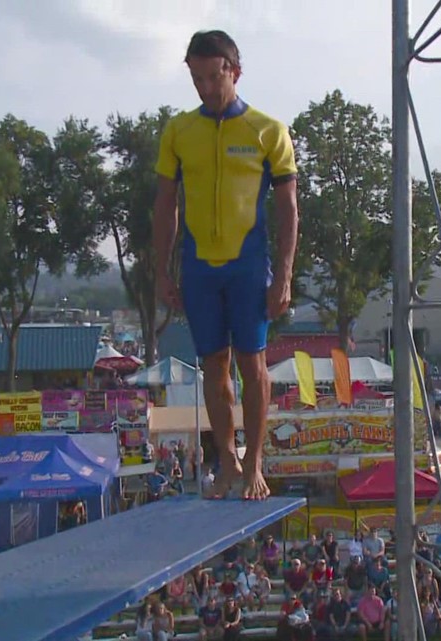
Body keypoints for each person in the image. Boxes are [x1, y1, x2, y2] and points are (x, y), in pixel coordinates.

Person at [154, 29, 300, 500]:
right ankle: (228, 462)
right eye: (195, 79)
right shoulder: (179, 131)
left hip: (248, 264)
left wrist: (284, 275)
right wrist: (162, 268)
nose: (204, 88)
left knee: (252, 364)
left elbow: (288, 208)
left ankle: (255, 463)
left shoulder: (267, 130)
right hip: (199, 267)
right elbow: (165, 205)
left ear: (234, 72)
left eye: (212, 77)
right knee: (212, 366)